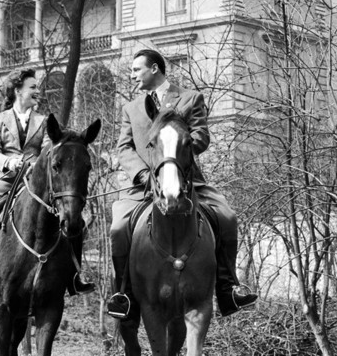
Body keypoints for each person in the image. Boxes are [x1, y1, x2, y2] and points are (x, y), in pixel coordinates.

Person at [107, 49, 257, 318]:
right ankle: (123, 293)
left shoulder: (190, 99)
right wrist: (143, 174)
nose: (132, 76)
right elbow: (124, 148)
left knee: (227, 216)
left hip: (188, 181)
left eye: (136, 70)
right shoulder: (130, 108)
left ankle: (228, 287)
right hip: (144, 186)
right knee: (118, 227)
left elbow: (201, 136)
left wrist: (177, 152)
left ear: (154, 69)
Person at [0, 68, 94, 295]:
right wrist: (9, 163)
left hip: (34, 182)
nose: (37, 91)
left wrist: (34, 165)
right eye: (32, 87)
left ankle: (75, 276)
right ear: (17, 90)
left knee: (74, 214)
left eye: (37, 87)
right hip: (4, 179)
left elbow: (50, 151)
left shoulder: (44, 121)